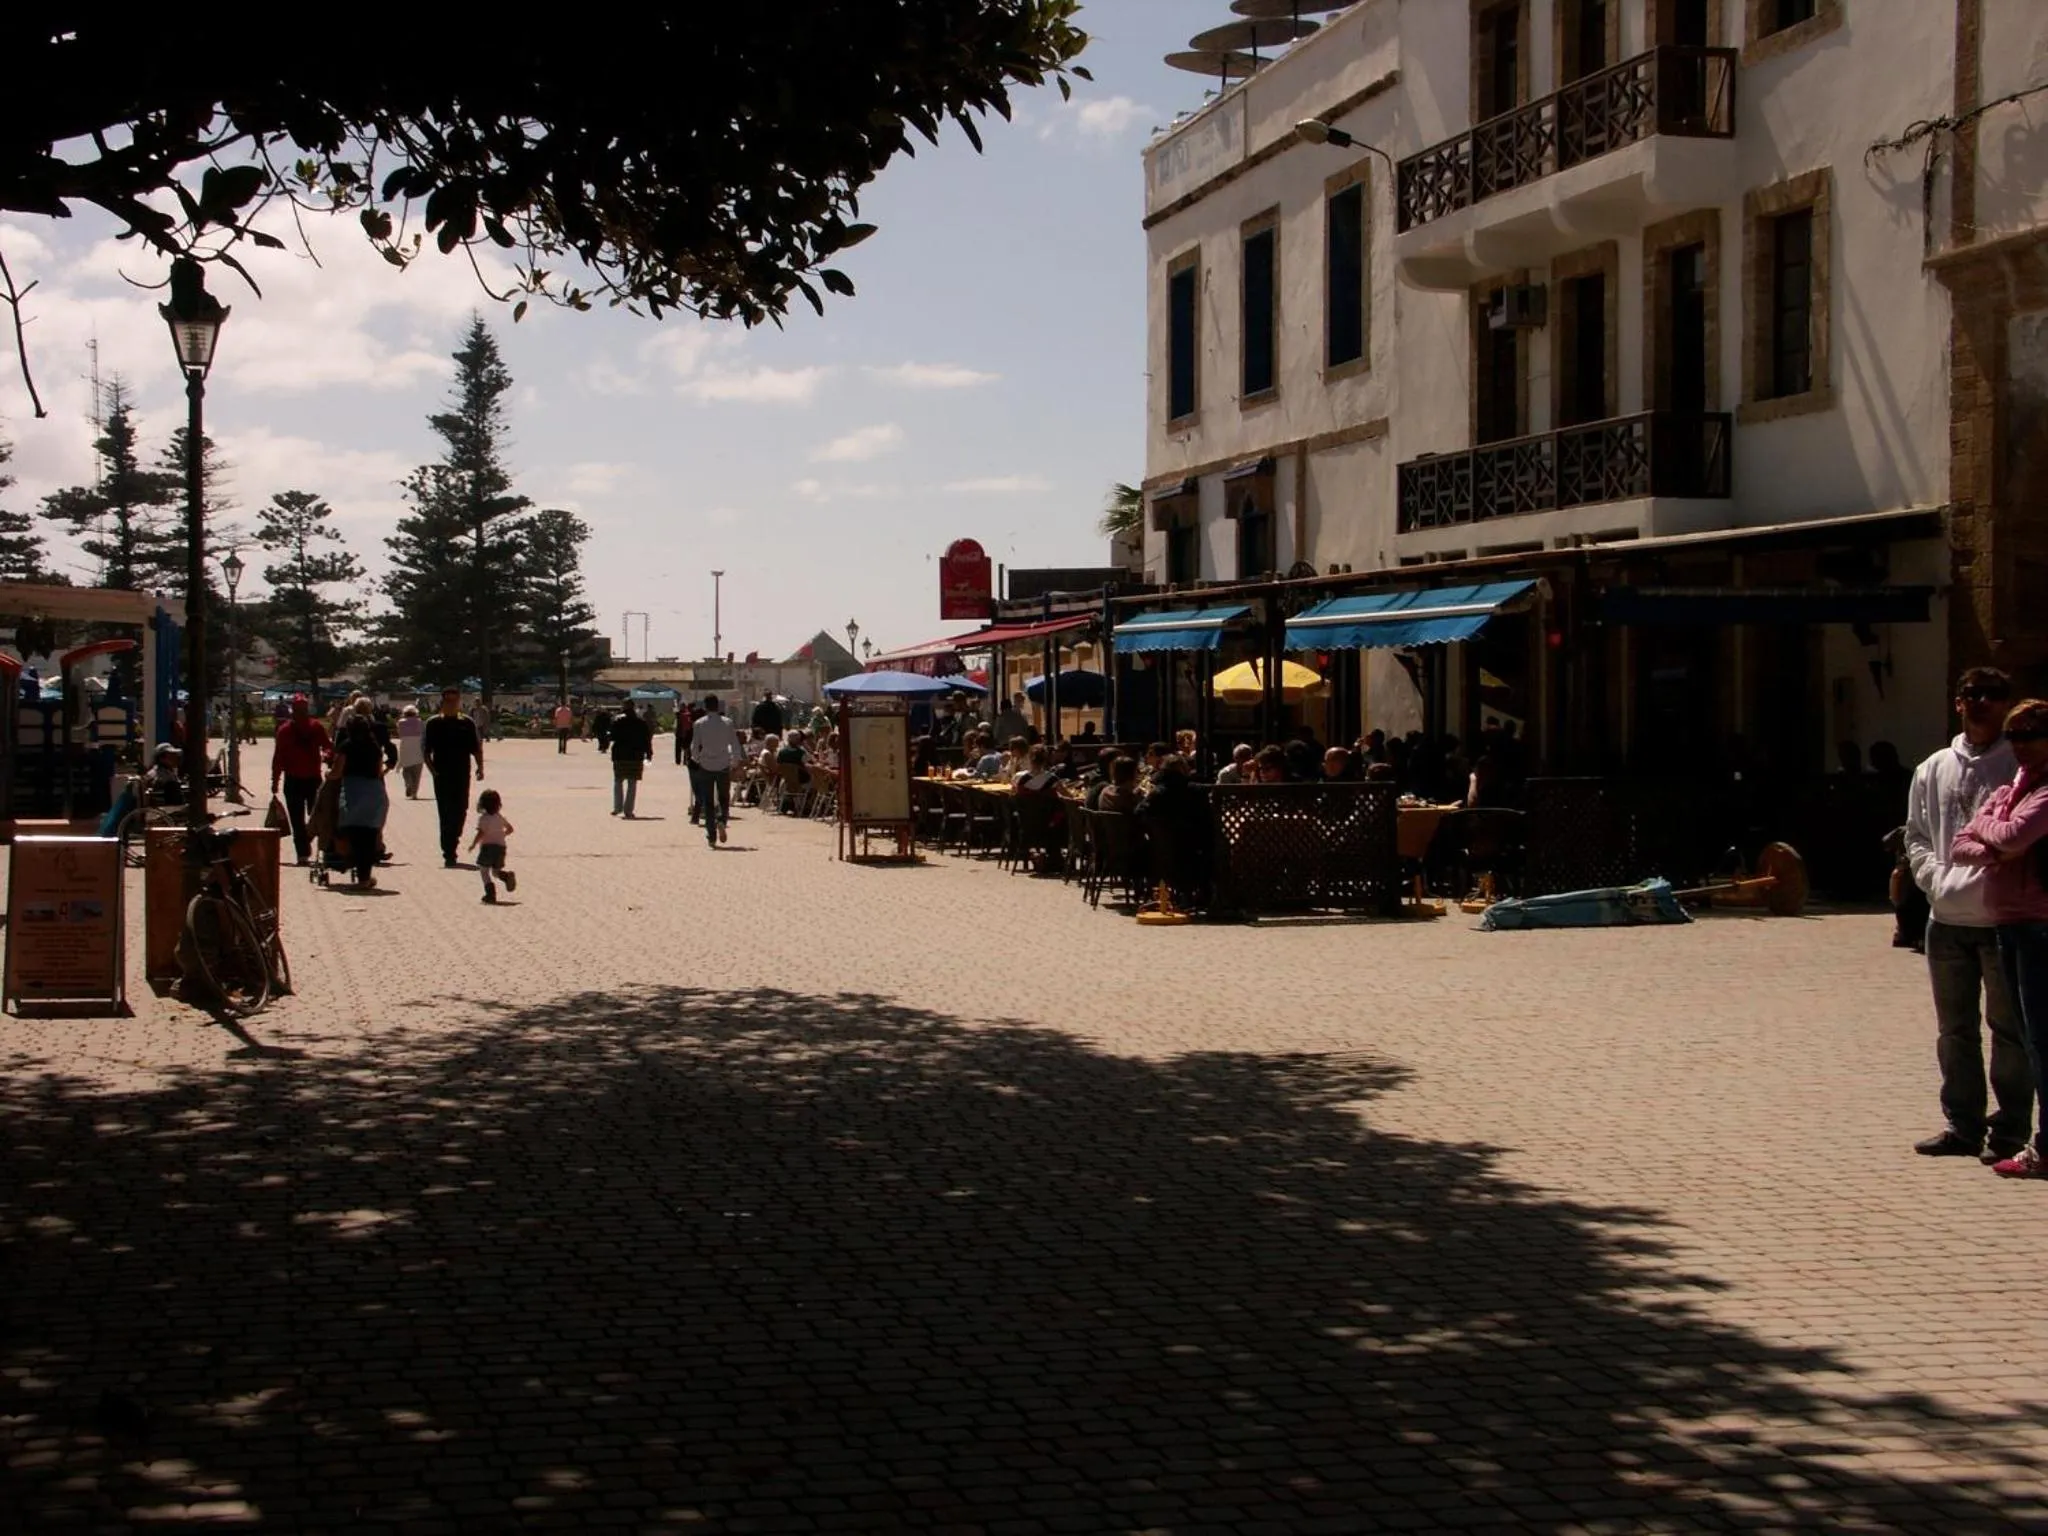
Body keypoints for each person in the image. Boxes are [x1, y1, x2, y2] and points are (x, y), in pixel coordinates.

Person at [1907, 668, 2027, 1161]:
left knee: (2009, 1030)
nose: (1980, 703)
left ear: (2006, 705)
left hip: (2001, 919)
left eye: (1992, 696)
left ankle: (2011, 1128)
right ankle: (1962, 1123)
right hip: (1946, 920)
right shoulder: (1933, 767)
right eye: (1970, 695)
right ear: (1957, 703)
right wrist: (1935, 879)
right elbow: (1915, 834)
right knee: (1954, 1030)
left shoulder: (2020, 766)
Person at [1951, 698, 2048, 1179]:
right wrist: (1997, 841)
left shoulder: (2044, 791)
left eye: (2032, 734)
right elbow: (1963, 841)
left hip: (2040, 922)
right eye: (2015, 736)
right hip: (2009, 922)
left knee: (2040, 1038)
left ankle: (2043, 1145)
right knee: (2033, 1036)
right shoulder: (2013, 787)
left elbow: (2012, 837)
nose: (2021, 745)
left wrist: (1997, 838)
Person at [334, 700, 395, 888]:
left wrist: (329, 777)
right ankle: (364, 877)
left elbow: (337, 771)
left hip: (353, 792)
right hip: (373, 793)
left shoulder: (346, 746)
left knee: (348, 832)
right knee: (368, 835)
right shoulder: (374, 747)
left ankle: (351, 864)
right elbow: (378, 771)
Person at [422, 686, 485, 867]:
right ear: (443, 702)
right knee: (445, 812)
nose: (451, 703)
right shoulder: (433, 723)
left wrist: (480, 767)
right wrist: (432, 770)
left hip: (461, 773)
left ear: (459, 702)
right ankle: (449, 851)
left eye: (454, 700)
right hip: (442, 774)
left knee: (461, 810)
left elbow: (476, 748)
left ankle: (453, 840)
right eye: (448, 700)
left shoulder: (467, 723)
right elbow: (426, 751)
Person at [270, 693, 331, 866]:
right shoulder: (296, 729)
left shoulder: (288, 730)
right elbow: (279, 758)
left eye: (303, 709)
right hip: (305, 779)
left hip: (303, 780)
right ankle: (304, 852)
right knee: (308, 817)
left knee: (307, 818)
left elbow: (327, 746)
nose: (302, 712)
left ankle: (305, 851)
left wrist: (274, 781)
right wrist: (274, 781)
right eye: (300, 709)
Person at [688, 694, 742, 846]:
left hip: (706, 764)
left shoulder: (699, 723)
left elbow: (695, 745)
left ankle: (711, 834)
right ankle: (722, 821)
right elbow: (734, 743)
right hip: (723, 763)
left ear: (705, 706)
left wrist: (696, 759)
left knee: (708, 800)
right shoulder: (728, 722)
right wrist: (735, 760)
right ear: (718, 706)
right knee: (724, 797)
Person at [470, 787, 518, 904]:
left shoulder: (483, 819)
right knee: (496, 871)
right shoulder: (499, 817)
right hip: (501, 847)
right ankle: (506, 877)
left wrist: (473, 844)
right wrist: (502, 835)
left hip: (487, 848)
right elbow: (510, 829)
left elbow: (481, 833)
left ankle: (490, 894)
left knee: (484, 871)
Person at [609, 699, 654, 818]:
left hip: (620, 754)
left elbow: (612, 736)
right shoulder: (641, 722)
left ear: (624, 707)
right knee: (632, 783)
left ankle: (617, 807)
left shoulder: (618, 721)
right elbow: (647, 739)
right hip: (635, 755)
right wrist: (649, 753)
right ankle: (628, 809)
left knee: (618, 780)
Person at [395, 704, 426, 798]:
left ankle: (408, 784)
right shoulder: (419, 722)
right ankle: (414, 793)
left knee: (406, 770)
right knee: (417, 773)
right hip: (417, 747)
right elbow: (424, 734)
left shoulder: (400, 722)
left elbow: (399, 734)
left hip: (405, 747)